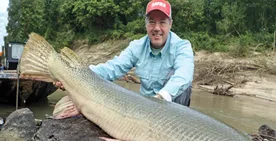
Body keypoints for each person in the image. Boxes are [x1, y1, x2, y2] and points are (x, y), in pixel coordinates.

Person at [56, 0, 194, 106]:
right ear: (146, 24)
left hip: (173, 109)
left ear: (170, 24)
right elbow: (112, 68)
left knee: (184, 85)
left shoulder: (182, 46)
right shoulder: (137, 46)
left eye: (162, 22)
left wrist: (161, 97)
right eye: (152, 22)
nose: (157, 28)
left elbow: (184, 74)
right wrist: (75, 74)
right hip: (145, 106)